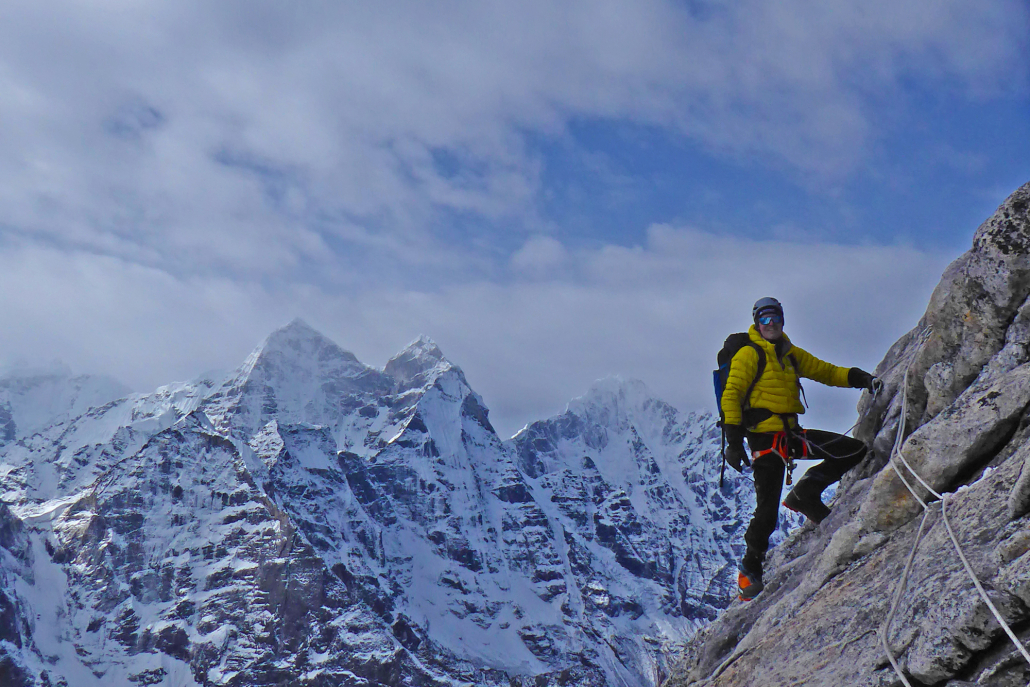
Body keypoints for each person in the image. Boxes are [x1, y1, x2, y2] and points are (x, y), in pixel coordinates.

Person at [722, 297, 879, 601]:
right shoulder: (748, 355)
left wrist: (860, 378)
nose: (771, 324)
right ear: (756, 323)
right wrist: (733, 442)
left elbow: (825, 371)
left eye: (776, 318)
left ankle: (805, 494)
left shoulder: (789, 354)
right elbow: (731, 395)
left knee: (852, 450)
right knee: (766, 513)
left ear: (782, 320)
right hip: (765, 442)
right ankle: (749, 570)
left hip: (791, 435)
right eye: (765, 319)